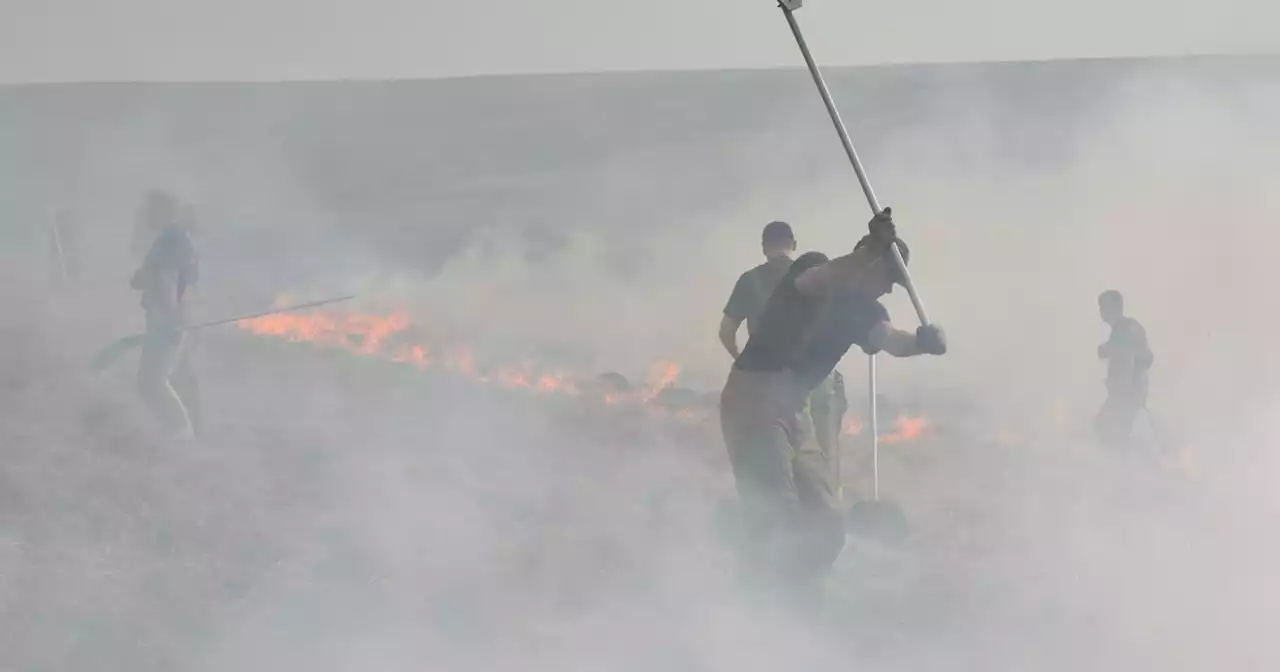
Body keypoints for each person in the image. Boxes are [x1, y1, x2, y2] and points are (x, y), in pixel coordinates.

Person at [719, 209, 946, 617]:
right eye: (887, 278)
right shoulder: (813, 269)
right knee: (777, 513)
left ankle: (797, 598)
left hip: (794, 409)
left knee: (826, 523)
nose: (889, 291)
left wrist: (922, 343)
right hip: (753, 399)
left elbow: (890, 340)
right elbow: (817, 281)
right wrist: (867, 253)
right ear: (868, 261)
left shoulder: (867, 312)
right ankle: (759, 609)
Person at [720, 221, 848, 499]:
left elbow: (726, 332)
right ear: (794, 245)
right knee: (825, 454)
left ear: (764, 247)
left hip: (770, 384)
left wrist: (743, 362)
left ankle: (790, 522)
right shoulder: (818, 278)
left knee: (776, 457)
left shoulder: (749, 280)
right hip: (818, 381)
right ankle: (832, 509)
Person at [131, 189, 203, 440]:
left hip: (168, 318)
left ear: (161, 210)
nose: (144, 214)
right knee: (180, 380)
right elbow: (162, 274)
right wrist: (143, 277)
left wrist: (171, 322)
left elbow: (170, 280)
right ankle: (193, 435)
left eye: (148, 208)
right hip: (176, 316)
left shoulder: (171, 238)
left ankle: (182, 440)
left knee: (150, 381)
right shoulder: (175, 237)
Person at [1094, 290, 1153, 446]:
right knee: (1106, 428)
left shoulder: (1124, 330)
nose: (1101, 313)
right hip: (1128, 392)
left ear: (1113, 308)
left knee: (1107, 430)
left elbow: (1135, 357)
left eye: (1103, 308)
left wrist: (1124, 389)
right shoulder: (1126, 329)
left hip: (1125, 394)